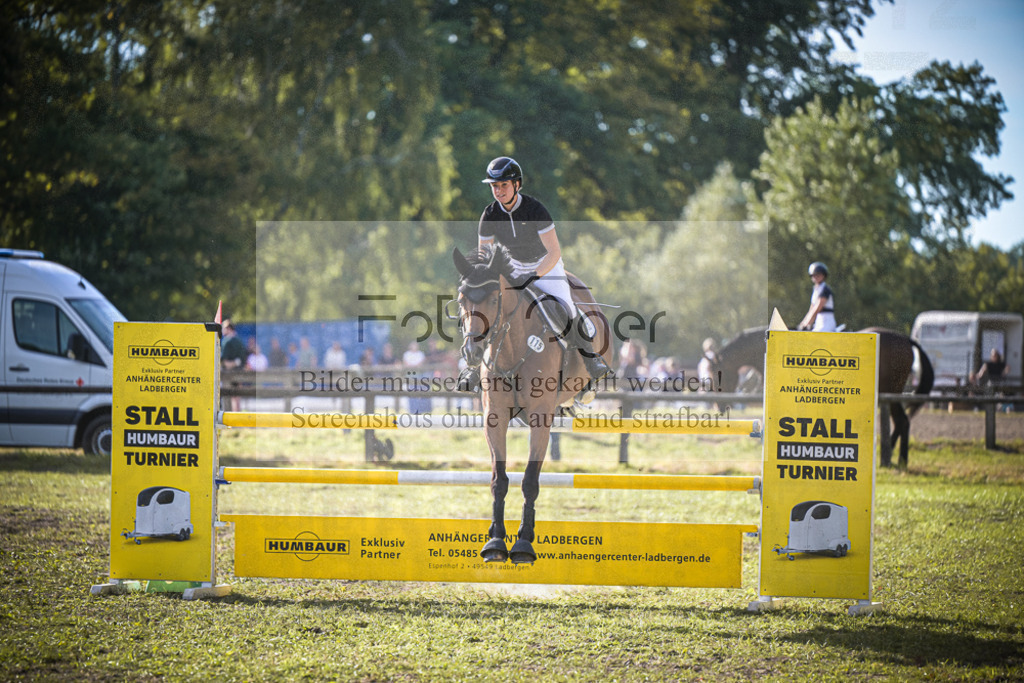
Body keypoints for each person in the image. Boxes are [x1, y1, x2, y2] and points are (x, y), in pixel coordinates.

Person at [472, 156, 611, 385]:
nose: (498, 191)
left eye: (503, 185)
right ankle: (473, 365)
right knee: (484, 307)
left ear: (517, 184)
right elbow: (484, 257)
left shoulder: (535, 209)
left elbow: (554, 251)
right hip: (512, 267)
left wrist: (533, 276)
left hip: (545, 265)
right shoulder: (489, 215)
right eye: (494, 186)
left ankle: (590, 358)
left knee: (565, 305)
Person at [798, 261, 837, 332]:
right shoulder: (816, 290)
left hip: (826, 322)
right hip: (819, 321)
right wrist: (802, 323)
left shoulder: (825, 289)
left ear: (823, 275)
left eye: (818, 275)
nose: (816, 277)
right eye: (814, 275)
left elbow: (817, 308)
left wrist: (807, 323)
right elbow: (811, 309)